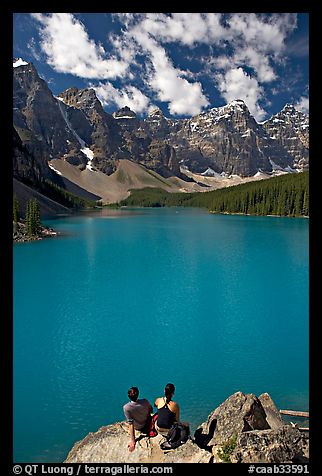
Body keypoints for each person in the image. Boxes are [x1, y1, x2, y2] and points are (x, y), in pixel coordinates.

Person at [123, 386, 153, 452]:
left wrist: (133, 441)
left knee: (127, 421)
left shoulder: (126, 407)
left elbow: (131, 424)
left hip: (139, 427)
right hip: (148, 423)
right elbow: (151, 410)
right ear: (138, 394)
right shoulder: (145, 401)